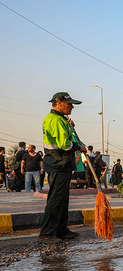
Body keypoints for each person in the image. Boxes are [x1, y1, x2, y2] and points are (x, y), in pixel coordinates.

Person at [40, 92, 87, 244]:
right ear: (59, 103)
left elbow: (65, 137)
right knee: (56, 199)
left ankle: (61, 229)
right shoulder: (55, 120)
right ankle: (47, 233)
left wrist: (70, 127)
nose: (72, 106)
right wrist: (80, 147)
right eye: (69, 104)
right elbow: (64, 144)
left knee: (62, 199)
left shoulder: (61, 120)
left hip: (62, 164)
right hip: (57, 163)